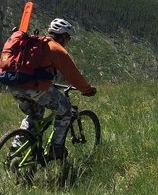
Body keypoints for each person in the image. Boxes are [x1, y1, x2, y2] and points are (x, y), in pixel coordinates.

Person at [9, 18, 96, 159]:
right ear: (63, 36)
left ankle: (16, 149)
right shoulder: (56, 49)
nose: (68, 41)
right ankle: (56, 148)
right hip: (34, 88)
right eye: (68, 38)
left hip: (15, 85)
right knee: (66, 111)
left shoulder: (36, 43)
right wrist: (87, 89)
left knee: (34, 116)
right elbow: (73, 75)